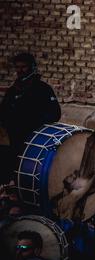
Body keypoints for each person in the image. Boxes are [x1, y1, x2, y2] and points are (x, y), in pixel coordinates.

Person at [0, 53, 61, 182]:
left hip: (35, 140)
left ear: (32, 67)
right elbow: (4, 112)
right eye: (17, 67)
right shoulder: (13, 90)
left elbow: (54, 113)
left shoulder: (43, 89)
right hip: (14, 139)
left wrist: (35, 125)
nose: (20, 70)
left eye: (24, 67)